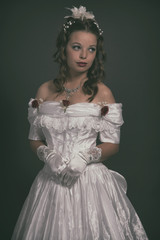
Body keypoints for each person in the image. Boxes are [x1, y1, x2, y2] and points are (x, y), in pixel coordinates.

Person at [12, 6, 148, 240]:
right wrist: (47, 155)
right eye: (77, 47)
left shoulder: (103, 93)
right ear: (63, 48)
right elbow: (35, 138)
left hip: (91, 183)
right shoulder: (44, 90)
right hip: (51, 181)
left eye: (91, 49)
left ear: (97, 53)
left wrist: (85, 158)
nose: (84, 56)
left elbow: (112, 144)